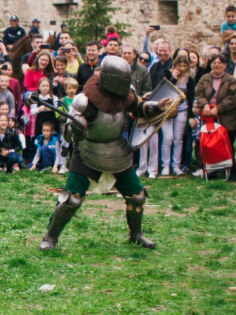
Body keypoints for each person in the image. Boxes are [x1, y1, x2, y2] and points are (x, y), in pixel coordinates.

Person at [40, 55, 173, 251]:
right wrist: (77, 127)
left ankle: (136, 235)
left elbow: (140, 107)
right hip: (88, 150)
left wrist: (157, 105)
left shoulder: (126, 95)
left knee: (136, 195)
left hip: (117, 150)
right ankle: (50, 237)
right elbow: (68, 136)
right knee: (71, 199)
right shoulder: (84, 102)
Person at [193, 52, 236, 179]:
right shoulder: (205, 78)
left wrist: (219, 108)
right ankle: (211, 170)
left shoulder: (230, 80)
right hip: (208, 116)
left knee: (227, 144)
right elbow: (198, 93)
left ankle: (231, 171)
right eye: (214, 62)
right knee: (210, 145)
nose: (217, 65)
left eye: (220, 63)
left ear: (225, 65)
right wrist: (205, 104)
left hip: (226, 116)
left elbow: (233, 98)